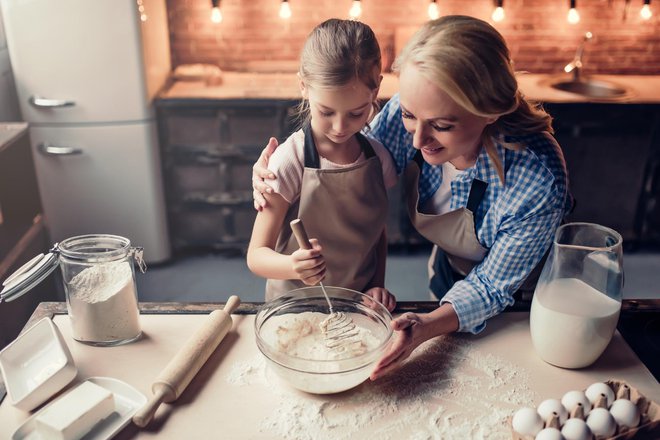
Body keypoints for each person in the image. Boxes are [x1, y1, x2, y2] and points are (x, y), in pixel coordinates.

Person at [253, 16, 572, 379]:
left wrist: (425, 326)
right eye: (408, 114)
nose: (417, 140)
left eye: (442, 125)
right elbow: (346, 152)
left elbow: (490, 287)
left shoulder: (537, 179)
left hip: (523, 303)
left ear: (490, 111)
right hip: (447, 271)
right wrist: (271, 175)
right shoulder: (415, 109)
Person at [246, 18, 397, 312]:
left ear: (376, 89)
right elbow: (256, 255)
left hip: (357, 304)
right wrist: (293, 266)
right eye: (326, 111)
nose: (340, 127)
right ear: (304, 87)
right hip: (294, 307)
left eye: (356, 113)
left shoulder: (379, 158)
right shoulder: (290, 160)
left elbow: (376, 233)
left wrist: (377, 284)